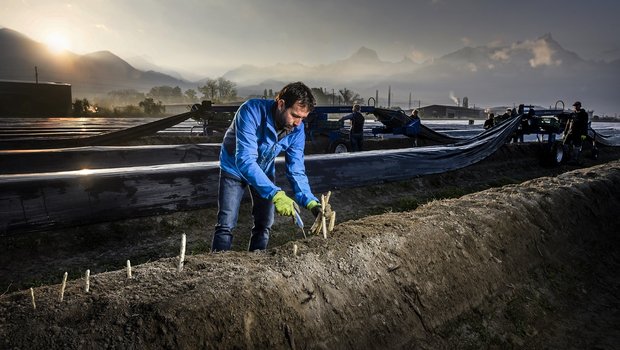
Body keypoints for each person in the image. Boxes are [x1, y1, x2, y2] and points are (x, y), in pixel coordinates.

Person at [211, 82, 321, 252]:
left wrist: (311, 201)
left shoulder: (297, 131)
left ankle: (257, 267)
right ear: (281, 104)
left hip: (263, 170)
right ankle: (217, 270)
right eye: (294, 115)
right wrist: (275, 194)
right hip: (234, 168)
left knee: (264, 224)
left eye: (303, 118)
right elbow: (245, 160)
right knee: (226, 224)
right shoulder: (250, 111)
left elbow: (296, 169)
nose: (298, 123)